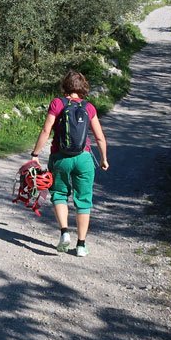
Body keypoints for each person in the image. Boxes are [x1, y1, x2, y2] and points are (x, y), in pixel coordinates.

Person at [29, 70, 109, 257]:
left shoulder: (57, 103)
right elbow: (99, 137)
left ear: (64, 85)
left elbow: (46, 130)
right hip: (84, 158)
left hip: (60, 158)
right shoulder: (89, 107)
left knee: (59, 194)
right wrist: (104, 158)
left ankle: (64, 232)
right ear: (83, 87)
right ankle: (81, 245)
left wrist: (35, 154)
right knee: (84, 200)